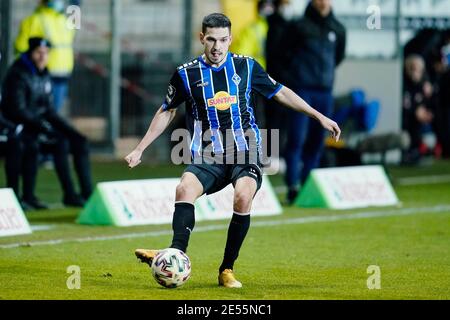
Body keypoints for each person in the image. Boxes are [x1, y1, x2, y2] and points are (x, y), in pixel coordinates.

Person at [125, 13, 340, 288]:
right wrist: (140, 148)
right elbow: (166, 111)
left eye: (223, 40)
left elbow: (281, 92)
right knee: (184, 189)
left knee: (242, 196)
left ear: (230, 39)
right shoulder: (186, 73)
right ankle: (175, 254)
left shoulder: (247, 67)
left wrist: (318, 116)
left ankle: (226, 269)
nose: (217, 47)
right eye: (211, 39)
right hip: (209, 154)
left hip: (246, 150)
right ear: (202, 38)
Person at [1, 37, 92, 209]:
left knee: (76, 140)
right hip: (19, 128)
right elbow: (17, 110)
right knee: (37, 145)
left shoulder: (43, 73)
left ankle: (81, 194)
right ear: (30, 53)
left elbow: (48, 110)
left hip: (34, 126)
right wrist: (43, 127)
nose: (43, 56)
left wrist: (70, 130)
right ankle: (24, 197)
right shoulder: (18, 73)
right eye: (39, 52)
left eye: (46, 53)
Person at [283, 0, 346, 204]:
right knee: (296, 139)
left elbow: (338, 57)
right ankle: (292, 185)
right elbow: (284, 53)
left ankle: (307, 184)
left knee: (317, 141)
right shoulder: (298, 26)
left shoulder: (338, 28)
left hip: (325, 92)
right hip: (302, 90)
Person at [15, 0, 76, 113]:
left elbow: (74, 29)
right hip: (41, 77)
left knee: (53, 114)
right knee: (39, 114)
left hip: (63, 75)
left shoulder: (63, 20)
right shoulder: (34, 20)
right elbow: (21, 49)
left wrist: (76, 6)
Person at [402, 54, 435, 164]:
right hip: (403, 126)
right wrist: (415, 112)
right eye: (412, 68)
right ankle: (406, 152)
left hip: (419, 126)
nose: (415, 72)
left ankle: (417, 150)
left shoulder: (424, 86)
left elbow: (430, 107)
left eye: (418, 69)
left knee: (430, 137)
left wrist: (426, 113)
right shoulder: (401, 84)